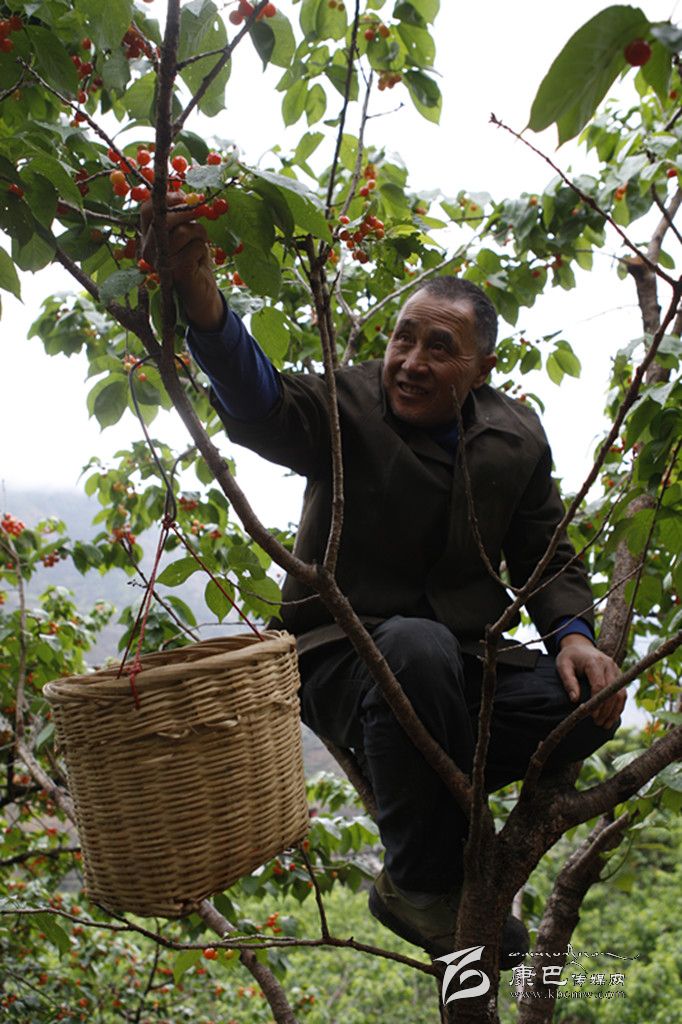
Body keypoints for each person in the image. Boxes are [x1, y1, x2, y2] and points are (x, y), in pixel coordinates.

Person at [141, 198, 625, 967]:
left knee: (589, 707)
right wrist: (202, 299)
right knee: (415, 650)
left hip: (461, 665)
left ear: (483, 367)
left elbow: (547, 548)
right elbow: (264, 403)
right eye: (404, 337)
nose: (411, 361)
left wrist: (574, 637)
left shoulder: (517, 434)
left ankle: (403, 763)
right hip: (339, 655)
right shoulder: (347, 404)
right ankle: (422, 885)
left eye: (440, 347)